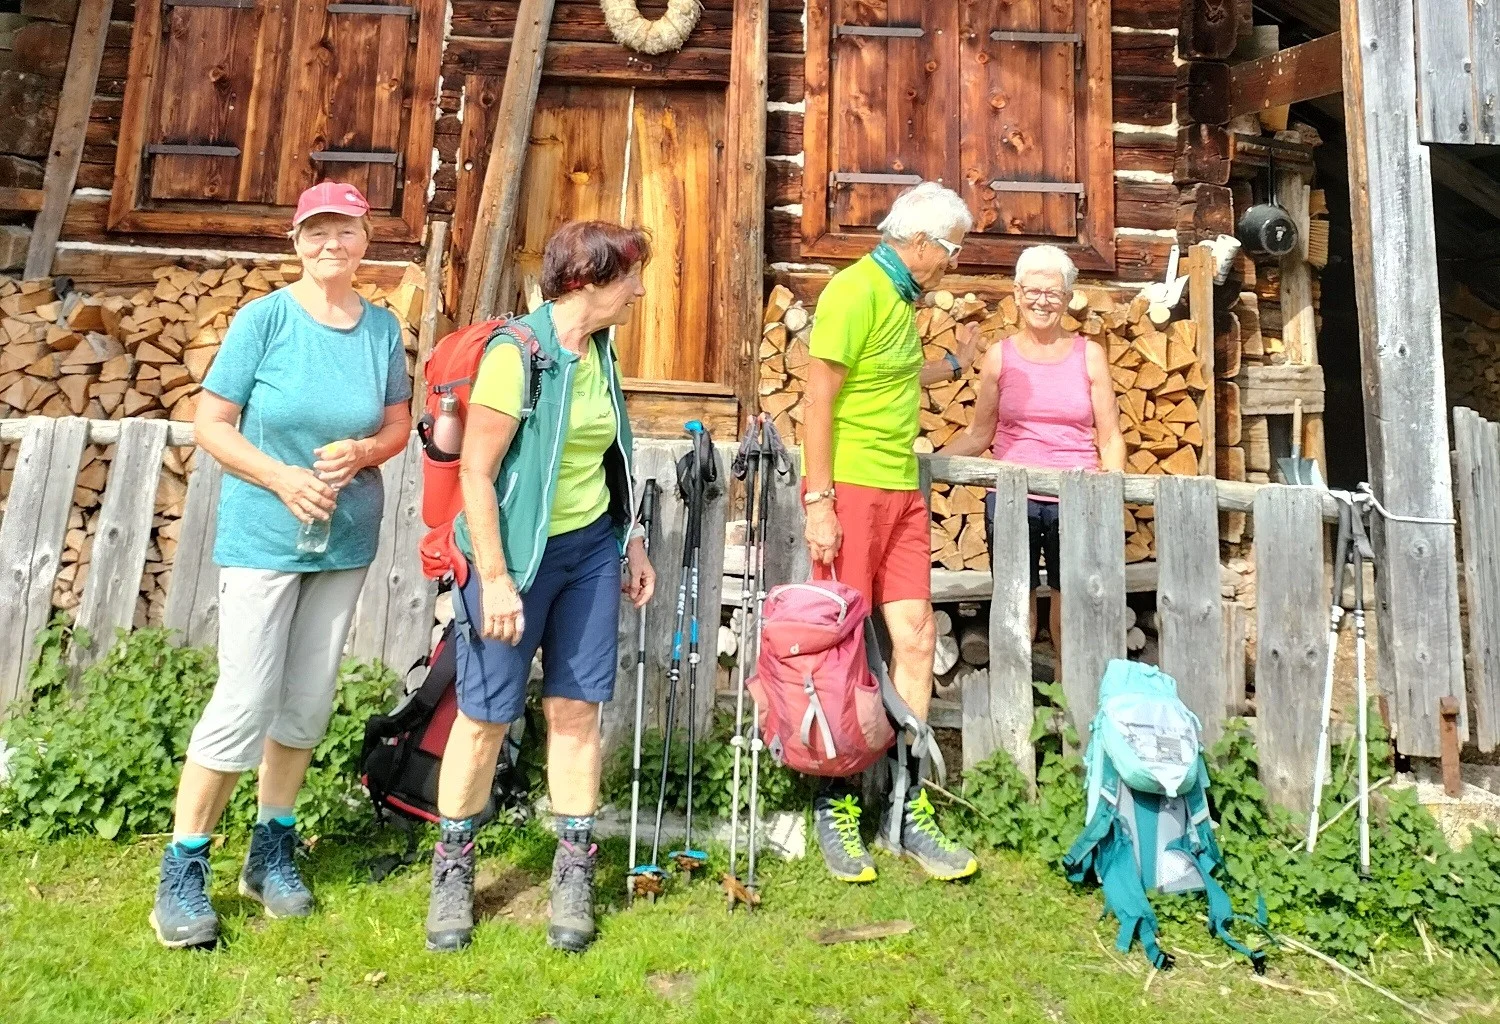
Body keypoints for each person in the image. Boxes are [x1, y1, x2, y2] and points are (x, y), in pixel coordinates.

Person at [152, 182, 413, 949]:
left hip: (344, 541)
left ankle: (271, 850)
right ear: (297, 242)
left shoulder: (380, 330)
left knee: (306, 700)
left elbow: (399, 422)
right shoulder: (264, 319)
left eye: (347, 231)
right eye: (318, 231)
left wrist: (365, 451)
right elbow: (210, 424)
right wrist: (283, 478)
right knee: (243, 697)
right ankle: (185, 865)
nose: (333, 244)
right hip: (266, 537)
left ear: (366, 240)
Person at [424, 220, 656, 955]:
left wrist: (634, 541)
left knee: (576, 712)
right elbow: (477, 475)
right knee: (487, 715)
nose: (641, 290)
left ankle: (573, 870)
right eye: (630, 277)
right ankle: (454, 870)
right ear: (588, 281)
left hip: (588, 551)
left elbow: (610, 452)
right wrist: (493, 579)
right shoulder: (516, 355)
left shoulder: (602, 351)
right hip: (512, 558)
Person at [802, 181, 981, 884]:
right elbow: (817, 398)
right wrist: (819, 500)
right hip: (850, 491)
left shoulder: (901, 302)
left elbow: (897, 375)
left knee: (916, 640)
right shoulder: (852, 293)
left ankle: (905, 806)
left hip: (903, 490)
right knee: (842, 647)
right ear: (919, 244)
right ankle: (836, 801)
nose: (954, 263)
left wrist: (959, 364)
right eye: (952, 249)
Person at [942, 244, 1126, 659]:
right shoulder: (999, 356)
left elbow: (1110, 436)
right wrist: (931, 464)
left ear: (1067, 298)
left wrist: (1110, 489)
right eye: (1034, 291)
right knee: (1015, 597)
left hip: (1074, 497)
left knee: (1072, 599)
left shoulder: (1090, 355)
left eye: (1053, 293)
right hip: (1011, 498)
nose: (1043, 301)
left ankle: (1068, 693)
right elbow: (979, 434)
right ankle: (1017, 697)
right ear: (1017, 294)